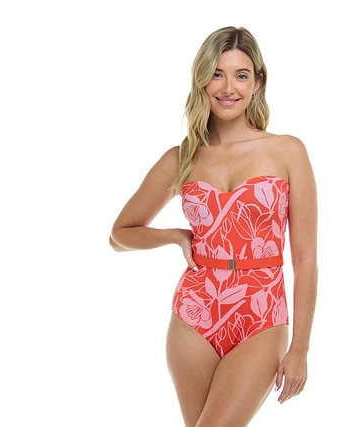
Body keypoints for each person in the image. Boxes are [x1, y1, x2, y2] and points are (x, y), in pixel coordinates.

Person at [109, 26, 318, 427]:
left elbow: (305, 260)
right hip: (195, 312)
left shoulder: (287, 151)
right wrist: (174, 236)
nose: (228, 87)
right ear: (202, 79)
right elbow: (120, 234)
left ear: (257, 83)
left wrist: (301, 349)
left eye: (241, 75)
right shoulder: (182, 158)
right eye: (217, 74)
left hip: (261, 314)